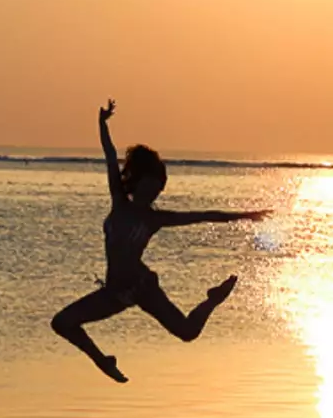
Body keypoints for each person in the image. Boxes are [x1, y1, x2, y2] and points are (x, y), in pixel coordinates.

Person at [50, 99, 268, 382]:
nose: (154, 192)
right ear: (137, 181)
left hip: (141, 287)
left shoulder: (155, 219)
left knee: (188, 332)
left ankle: (213, 300)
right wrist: (102, 124)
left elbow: (202, 216)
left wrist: (245, 215)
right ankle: (103, 360)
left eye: (158, 188)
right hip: (114, 291)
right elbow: (109, 154)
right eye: (151, 185)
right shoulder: (119, 201)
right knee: (62, 322)